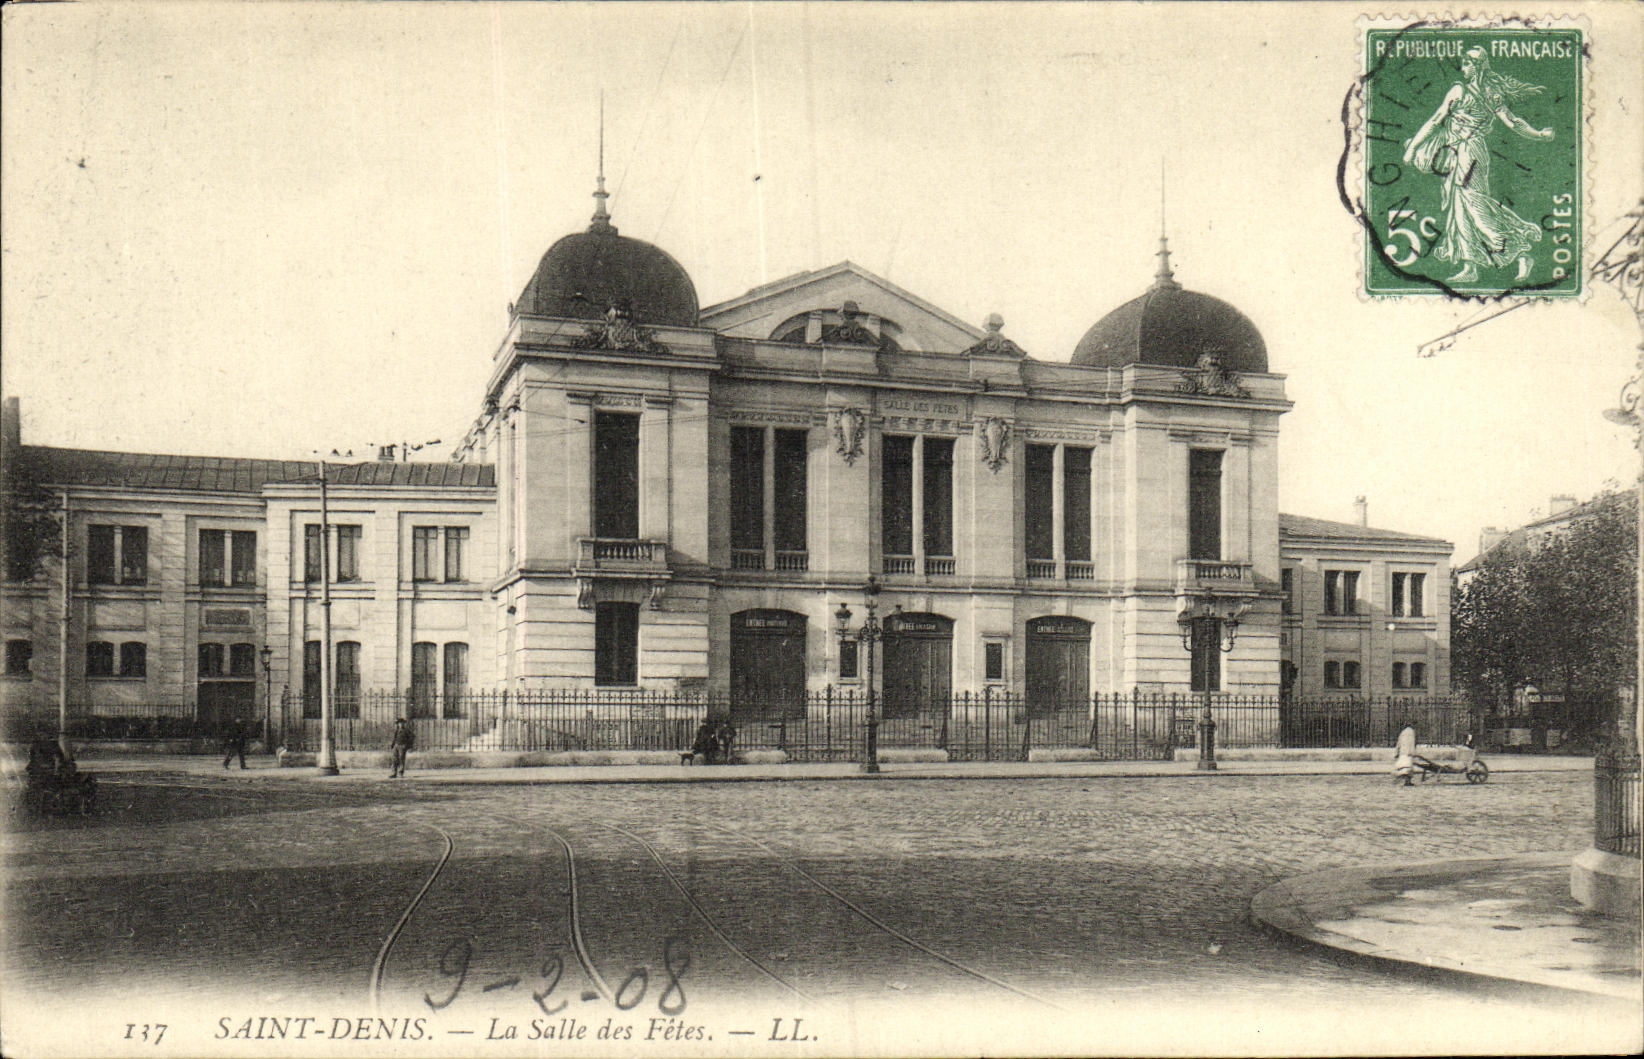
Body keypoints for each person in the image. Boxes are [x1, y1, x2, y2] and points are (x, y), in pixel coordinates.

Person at [1401, 48, 1554, 285]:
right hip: (1462, 153)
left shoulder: (1462, 91)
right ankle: (1470, 266)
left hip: (1468, 153)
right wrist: (1539, 135)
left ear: (1477, 66)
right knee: (1460, 207)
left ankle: (1520, 251)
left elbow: (1435, 121)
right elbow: (1513, 123)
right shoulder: (1489, 93)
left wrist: (1412, 149)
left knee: (1474, 205)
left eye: (1466, 64)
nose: (1463, 69)